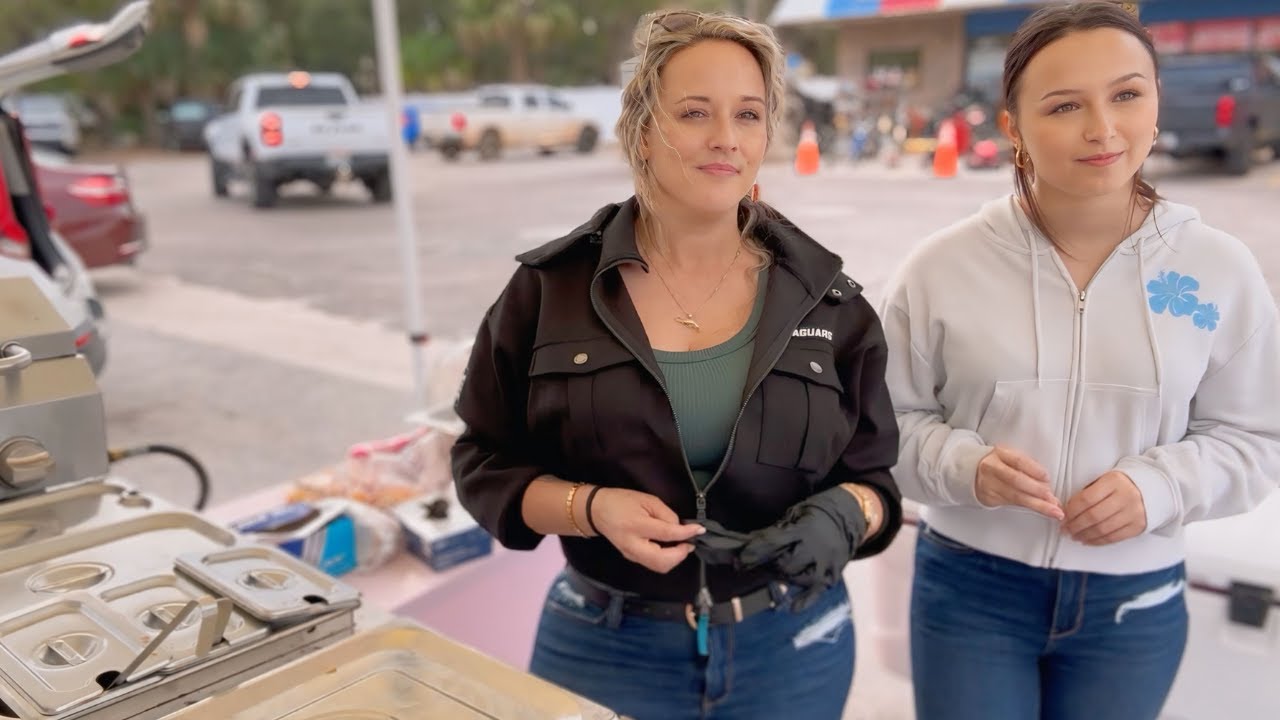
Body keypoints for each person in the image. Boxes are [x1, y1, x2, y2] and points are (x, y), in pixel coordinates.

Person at [451, 9, 902, 719]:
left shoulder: (831, 302)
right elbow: (482, 462)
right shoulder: (549, 290)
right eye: (695, 112)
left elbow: (875, 481)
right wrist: (589, 508)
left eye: (748, 114)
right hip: (605, 643)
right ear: (643, 130)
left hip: (793, 644)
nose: (726, 137)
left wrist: (849, 513)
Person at [880, 3, 1280, 719]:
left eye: (1126, 95)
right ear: (1013, 128)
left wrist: (1159, 487)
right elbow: (883, 427)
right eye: (1065, 105)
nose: (1103, 128)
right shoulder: (940, 268)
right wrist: (964, 466)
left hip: (1135, 602)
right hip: (971, 590)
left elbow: (1254, 439)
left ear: (1156, 102)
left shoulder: (1219, 270)